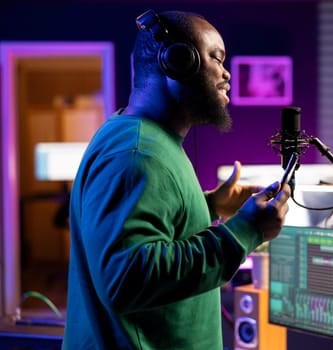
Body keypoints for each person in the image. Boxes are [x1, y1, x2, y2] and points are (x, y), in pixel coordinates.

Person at [62, 9, 291, 350]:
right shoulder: (137, 154)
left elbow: (149, 230)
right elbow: (125, 279)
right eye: (216, 58)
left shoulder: (144, 139)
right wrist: (246, 230)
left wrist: (208, 204)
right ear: (177, 63)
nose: (227, 74)